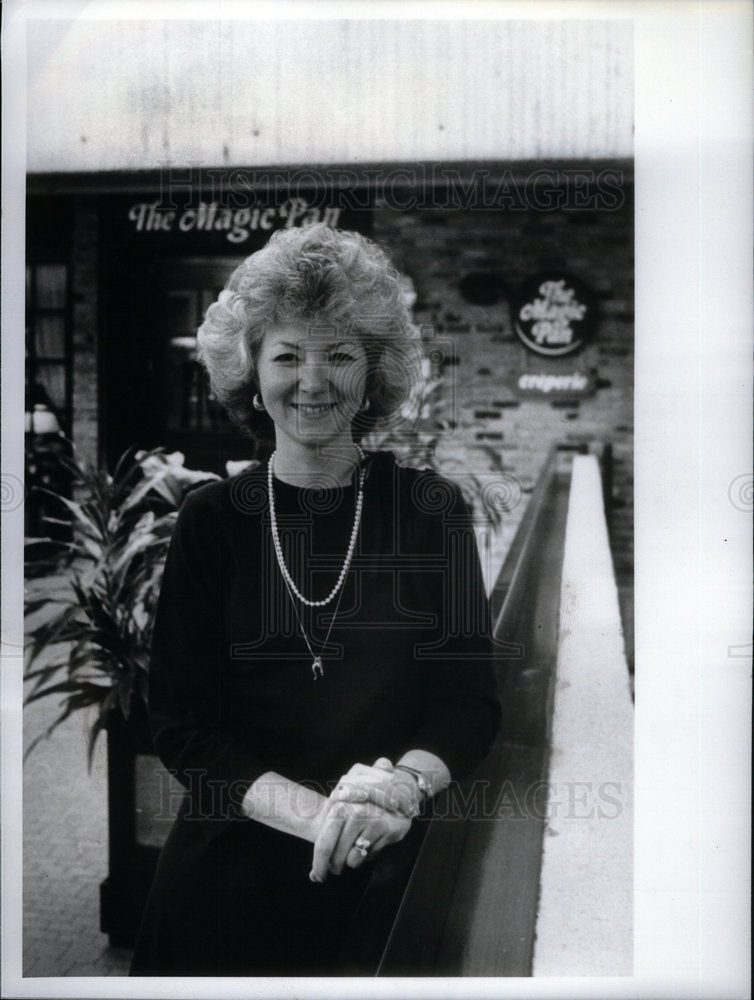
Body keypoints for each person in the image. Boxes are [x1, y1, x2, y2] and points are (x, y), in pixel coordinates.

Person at [130, 223, 501, 976]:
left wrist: (398, 789)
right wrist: (319, 817)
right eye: (287, 355)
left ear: (373, 373)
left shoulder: (432, 511)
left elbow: (467, 703)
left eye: (339, 355)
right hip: (225, 884)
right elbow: (181, 726)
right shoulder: (212, 521)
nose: (313, 380)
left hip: (383, 878)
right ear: (251, 371)